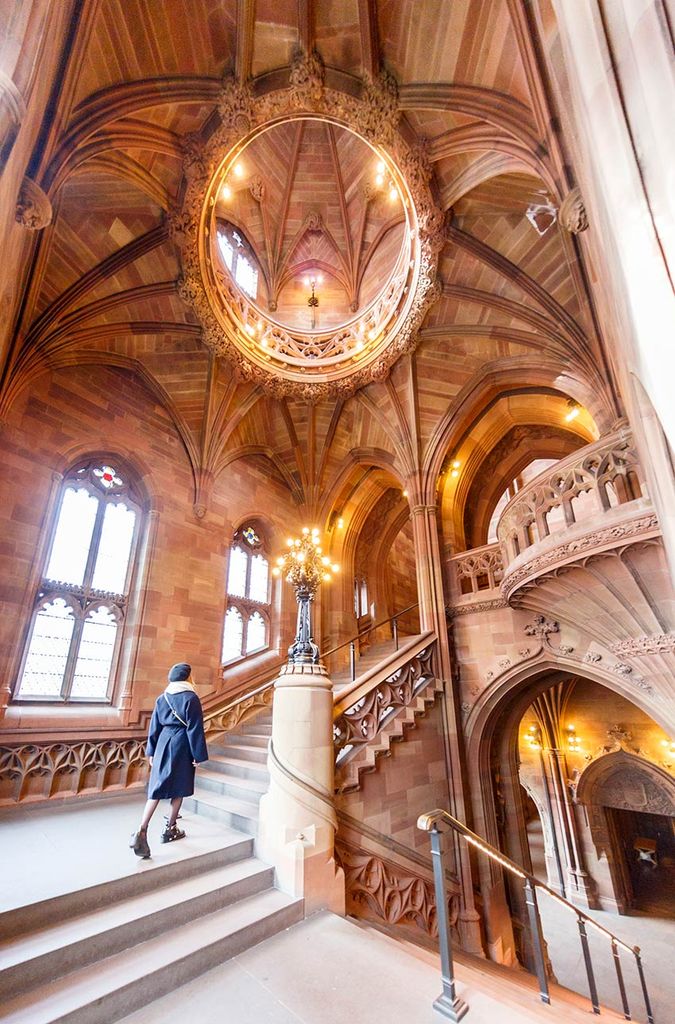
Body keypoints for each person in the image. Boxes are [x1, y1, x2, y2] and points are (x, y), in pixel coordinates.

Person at [129, 662, 209, 858]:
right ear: (188, 678)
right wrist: (197, 755)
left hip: (163, 743)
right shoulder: (191, 698)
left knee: (156, 788)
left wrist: (151, 752)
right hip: (181, 744)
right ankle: (170, 829)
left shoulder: (162, 698)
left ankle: (142, 828)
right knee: (179, 786)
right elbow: (194, 728)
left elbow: (154, 726)